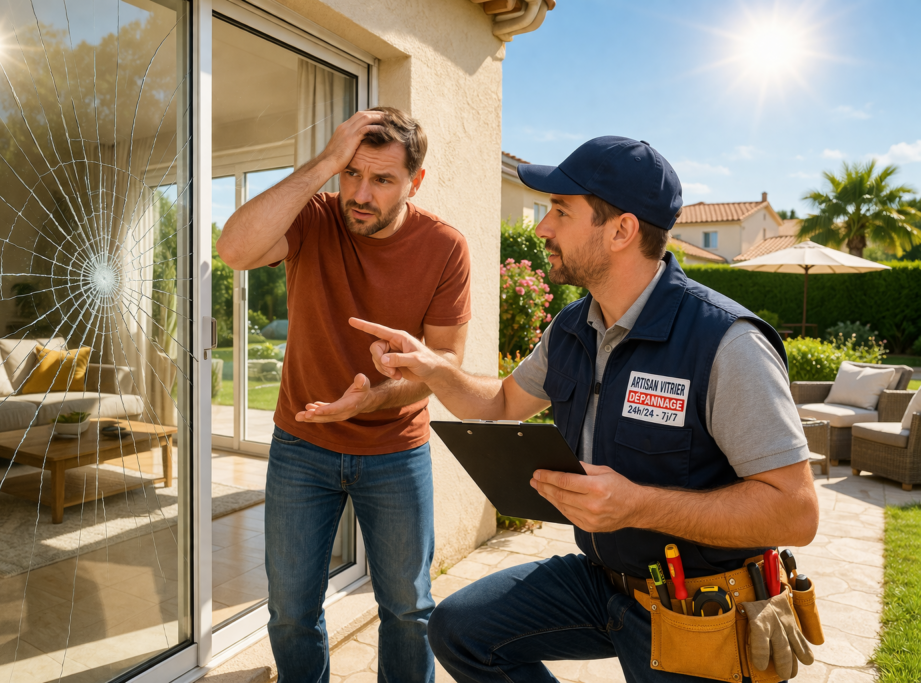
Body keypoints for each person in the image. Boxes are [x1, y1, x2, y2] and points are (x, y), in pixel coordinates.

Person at [348, 136, 820, 682]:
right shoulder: (573, 328)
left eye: (561, 211)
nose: (542, 227)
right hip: (603, 583)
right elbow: (502, 402)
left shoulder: (725, 343)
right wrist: (433, 367)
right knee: (460, 630)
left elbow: (796, 512)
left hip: (703, 609)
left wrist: (637, 506)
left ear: (621, 230)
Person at [216, 107, 471, 682]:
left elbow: (445, 363)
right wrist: (325, 161)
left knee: (408, 610)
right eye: (351, 174)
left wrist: (375, 397)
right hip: (302, 445)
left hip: (396, 450)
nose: (360, 193)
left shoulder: (444, 248)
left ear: (415, 182)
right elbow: (233, 250)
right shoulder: (315, 218)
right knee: (289, 614)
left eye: (381, 180)